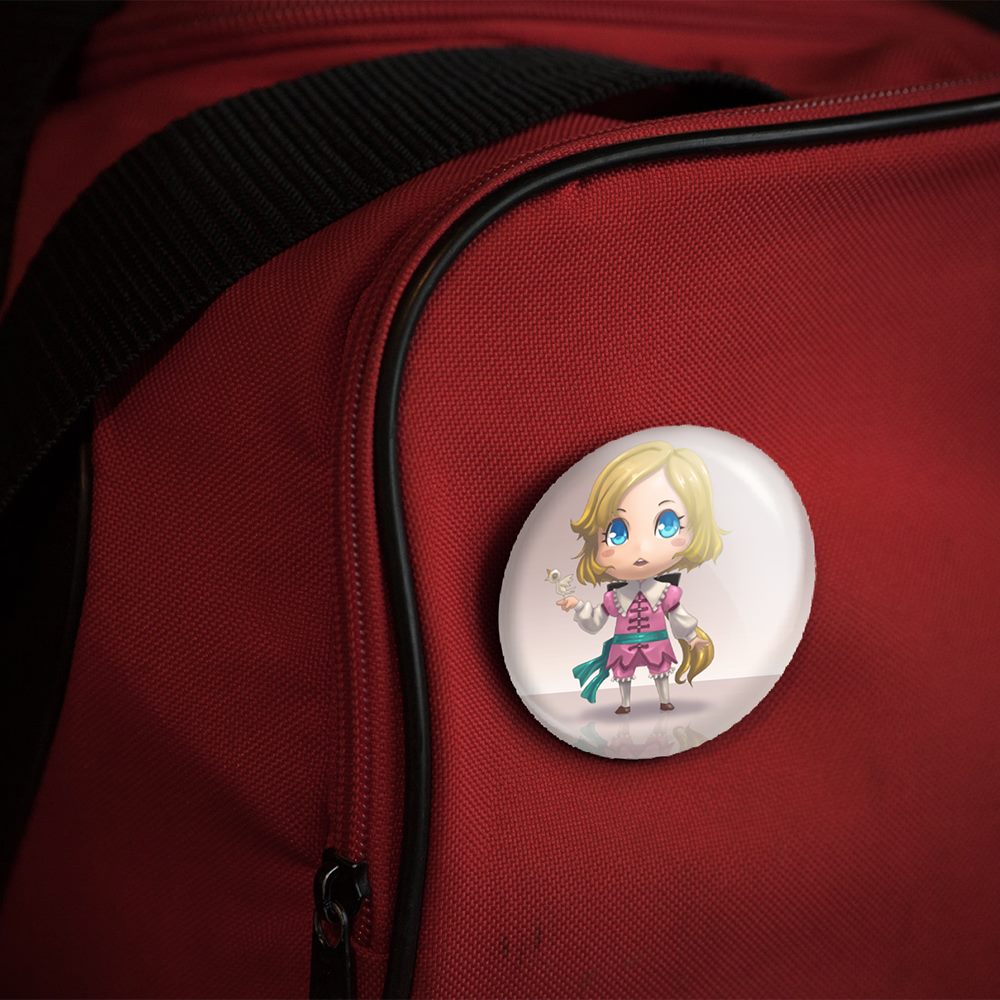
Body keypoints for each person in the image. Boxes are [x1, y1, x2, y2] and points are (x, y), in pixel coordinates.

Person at [557, 440, 723, 713]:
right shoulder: (614, 598)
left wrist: (692, 638)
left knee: (661, 671)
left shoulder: (667, 593)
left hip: (657, 640)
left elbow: (679, 618)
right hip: (624, 645)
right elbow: (596, 621)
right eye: (616, 533)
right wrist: (577, 606)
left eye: (667, 525)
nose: (641, 548)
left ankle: (664, 699)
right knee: (623, 674)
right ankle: (625, 704)